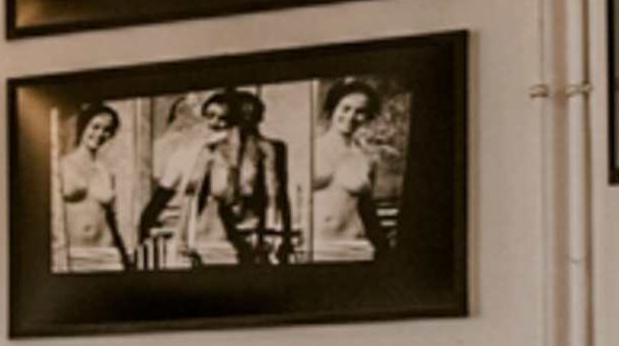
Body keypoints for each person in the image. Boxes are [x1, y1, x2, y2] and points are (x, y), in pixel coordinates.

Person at [168, 87, 296, 265]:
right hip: (215, 240)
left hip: (252, 236)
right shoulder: (210, 150)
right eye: (242, 115)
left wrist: (278, 237)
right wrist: (183, 241)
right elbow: (193, 198)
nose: (246, 120)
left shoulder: (268, 149)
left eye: (251, 115)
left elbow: (275, 195)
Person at [53, 101, 138, 272]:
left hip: (108, 254)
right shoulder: (62, 166)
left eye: (107, 130)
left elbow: (113, 220)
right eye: (95, 127)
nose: (100, 134)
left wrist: (125, 257)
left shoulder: (106, 171)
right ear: (84, 126)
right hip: (73, 254)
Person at [309, 78, 384, 263]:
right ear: (333, 109)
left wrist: (384, 251)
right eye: (346, 108)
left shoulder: (367, 158)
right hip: (315, 247)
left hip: (356, 247)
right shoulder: (310, 149)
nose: (351, 116)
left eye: (360, 112)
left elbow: (368, 209)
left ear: (367, 117)